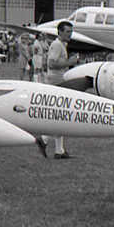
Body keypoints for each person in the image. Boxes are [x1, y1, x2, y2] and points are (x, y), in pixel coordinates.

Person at [42, 21, 79, 159]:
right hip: (56, 81)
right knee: (61, 114)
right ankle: (45, 140)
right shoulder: (57, 45)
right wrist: (69, 63)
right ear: (60, 32)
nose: (70, 34)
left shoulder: (61, 45)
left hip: (59, 80)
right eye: (68, 32)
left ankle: (59, 150)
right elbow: (51, 64)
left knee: (60, 114)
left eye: (71, 31)